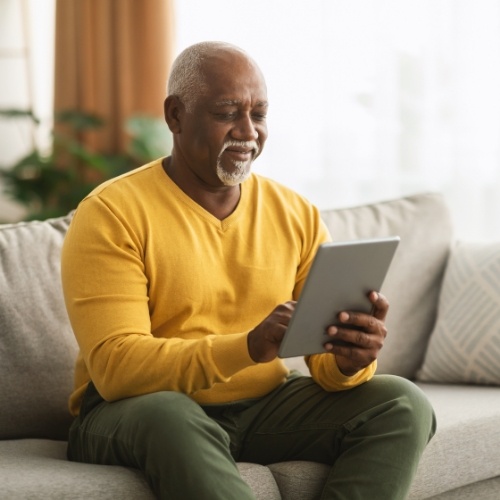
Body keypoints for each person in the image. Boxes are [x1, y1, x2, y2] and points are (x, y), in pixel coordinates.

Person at [61, 41, 436, 499]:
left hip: (262, 406)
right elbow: (117, 367)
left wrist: (348, 359)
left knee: (400, 401)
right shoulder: (110, 212)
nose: (248, 132)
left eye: (258, 114)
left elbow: (324, 363)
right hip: (136, 410)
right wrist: (246, 347)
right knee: (169, 415)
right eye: (226, 113)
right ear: (175, 116)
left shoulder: (295, 212)